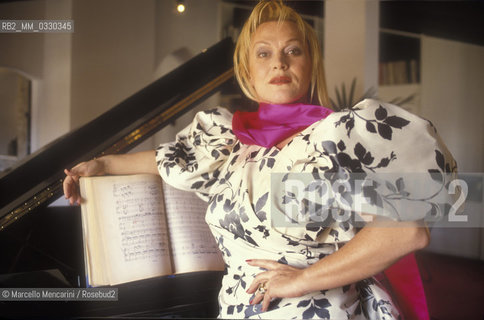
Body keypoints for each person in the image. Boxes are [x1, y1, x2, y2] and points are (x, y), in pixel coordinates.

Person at [64, 1, 457, 319]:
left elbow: (407, 231)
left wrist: (302, 281)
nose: (279, 63)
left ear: (309, 64)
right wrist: (100, 166)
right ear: (248, 71)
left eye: (293, 51)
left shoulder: (338, 139)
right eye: (264, 53)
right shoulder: (229, 144)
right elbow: (169, 158)